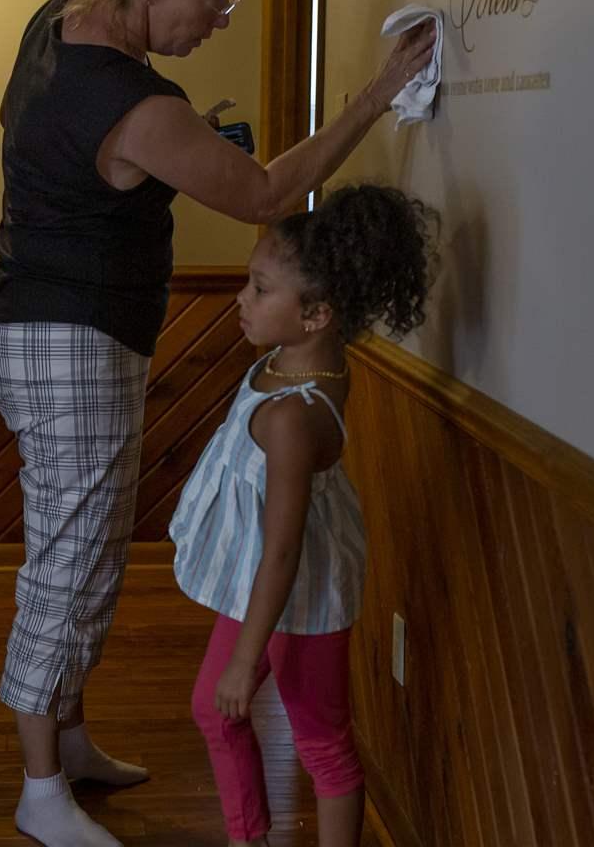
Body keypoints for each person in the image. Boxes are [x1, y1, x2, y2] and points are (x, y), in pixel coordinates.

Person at [0, 0, 435, 847]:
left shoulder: (60, 17)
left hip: (38, 327)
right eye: (211, 0)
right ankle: (38, 788)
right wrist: (372, 96)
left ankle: (67, 738)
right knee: (66, 561)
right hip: (71, 337)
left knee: (86, 549)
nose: (217, 21)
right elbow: (268, 195)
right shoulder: (137, 105)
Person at [169, 184, 439, 847]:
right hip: (260, 581)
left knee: (319, 738)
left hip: (303, 592)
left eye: (260, 288)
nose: (242, 299)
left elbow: (285, 550)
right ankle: (248, 836)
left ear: (315, 314)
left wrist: (246, 658)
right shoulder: (284, 366)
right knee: (214, 707)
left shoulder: (296, 416)